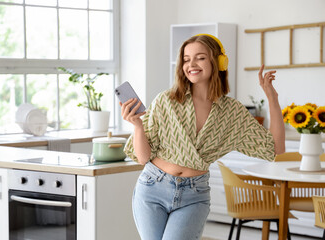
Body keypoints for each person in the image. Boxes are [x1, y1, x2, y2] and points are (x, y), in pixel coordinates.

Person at [119, 34, 285, 240]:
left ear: (218, 62)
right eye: (186, 59)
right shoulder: (166, 100)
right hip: (153, 188)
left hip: (194, 196)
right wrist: (137, 126)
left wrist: (272, 97)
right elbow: (143, 158)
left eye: (200, 58)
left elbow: (275, 148)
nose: (192, 64)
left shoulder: (232, 112)